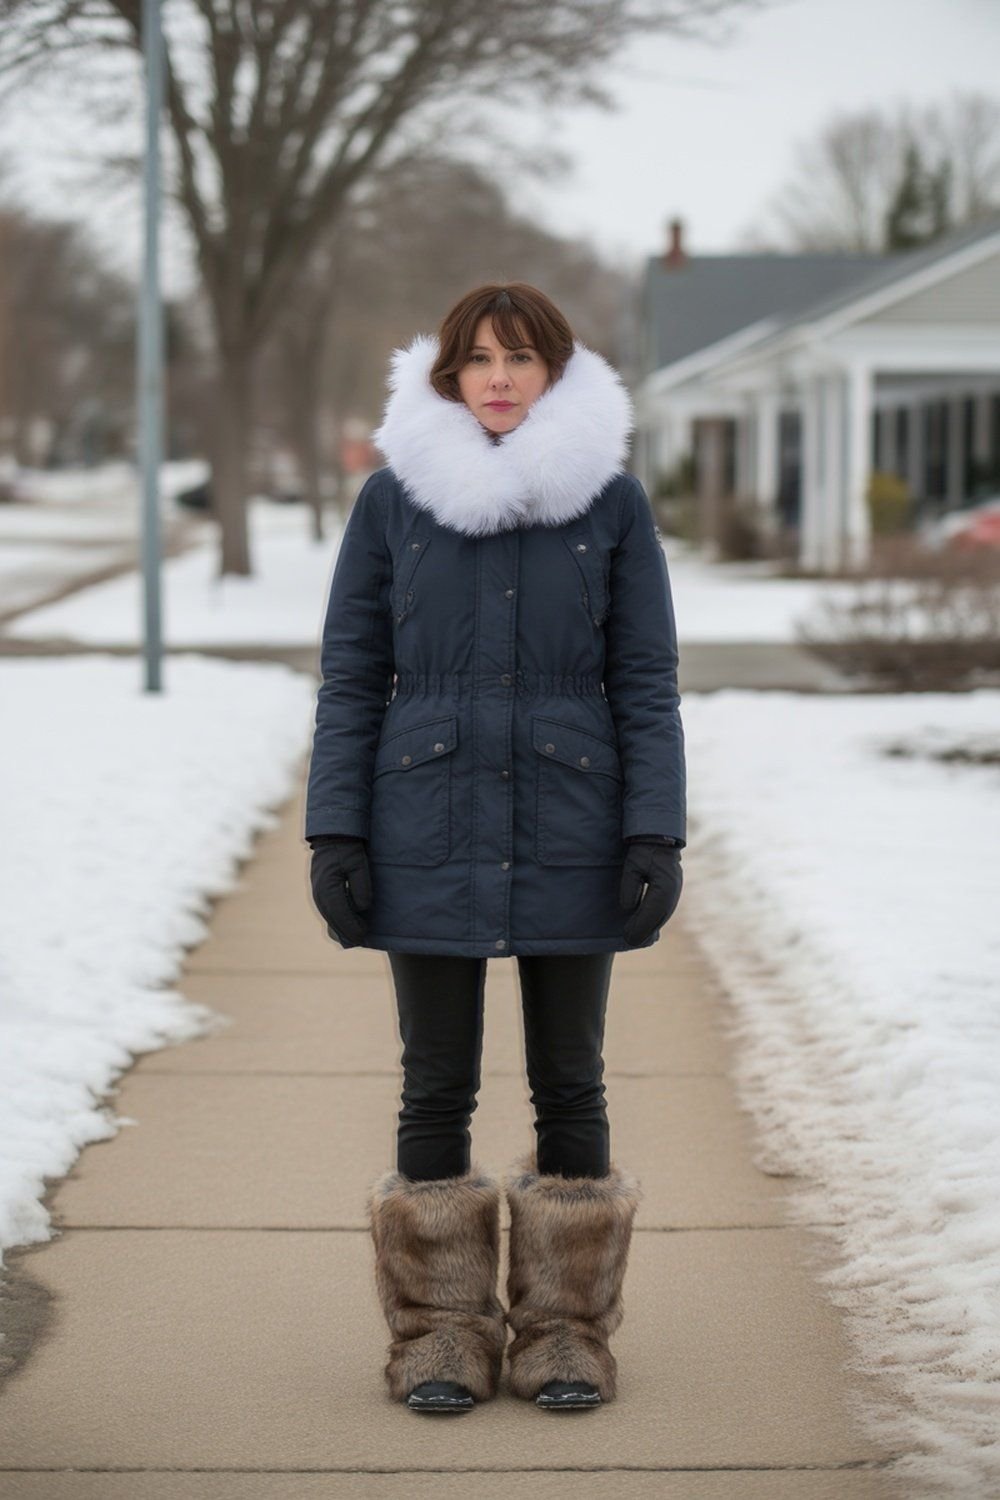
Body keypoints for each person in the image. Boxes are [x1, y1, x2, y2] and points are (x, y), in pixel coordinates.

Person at [305, 282, 686, 1415]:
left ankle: (565, 1333)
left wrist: (652, 830)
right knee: (435, 1086)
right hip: (423, 819)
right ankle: (439, 1335)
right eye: (478, 359)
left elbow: (648, 682)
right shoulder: (392, 503)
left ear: (557, 374)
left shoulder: (610, 505)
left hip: (573, 823)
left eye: (522, 358)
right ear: (447, 376)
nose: (500, 377)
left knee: (572, 1083)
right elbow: (350, 679)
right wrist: (336, 828)